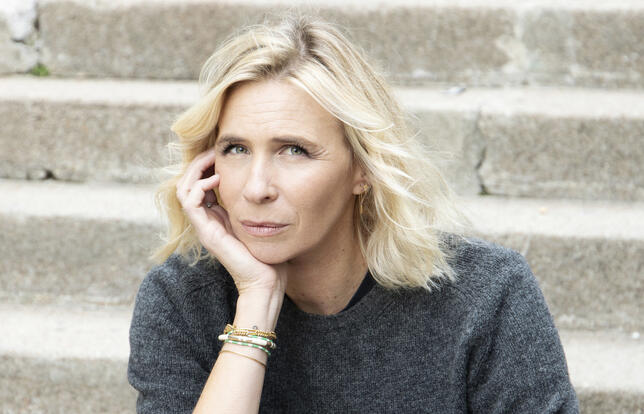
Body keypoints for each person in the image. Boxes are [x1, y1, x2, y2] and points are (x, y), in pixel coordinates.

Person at [127, 12, 579, 413]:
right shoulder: (182, 299)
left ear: (362, 169)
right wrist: (256, 304)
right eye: (235, 149)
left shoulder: (487, 294)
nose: (257, 187)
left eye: (294, 150)